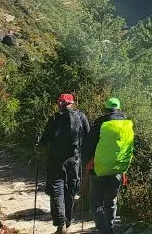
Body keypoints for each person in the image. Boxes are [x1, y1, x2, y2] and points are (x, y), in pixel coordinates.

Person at [36, 93, 91, 234]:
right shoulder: (81, 117)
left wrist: (38, 147)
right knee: (70, 192)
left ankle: (60, 223)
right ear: (72, 103)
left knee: (56, 191)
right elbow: (88, 137)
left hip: (55, 161)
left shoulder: (54, 118)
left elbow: (44, 139)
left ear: (62, 103)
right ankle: (67, 223)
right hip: (74, 161)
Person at [82, 97, 135, 234]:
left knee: (96, 203)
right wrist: (124, 168)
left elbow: (87, 146)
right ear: (118, 109)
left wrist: (87, 162)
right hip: (118, 168)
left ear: (105, 109)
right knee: (111, 201)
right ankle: (110, 227)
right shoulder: (127, 124)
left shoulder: (100, 124)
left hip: (98, 168)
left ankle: (105, 231)